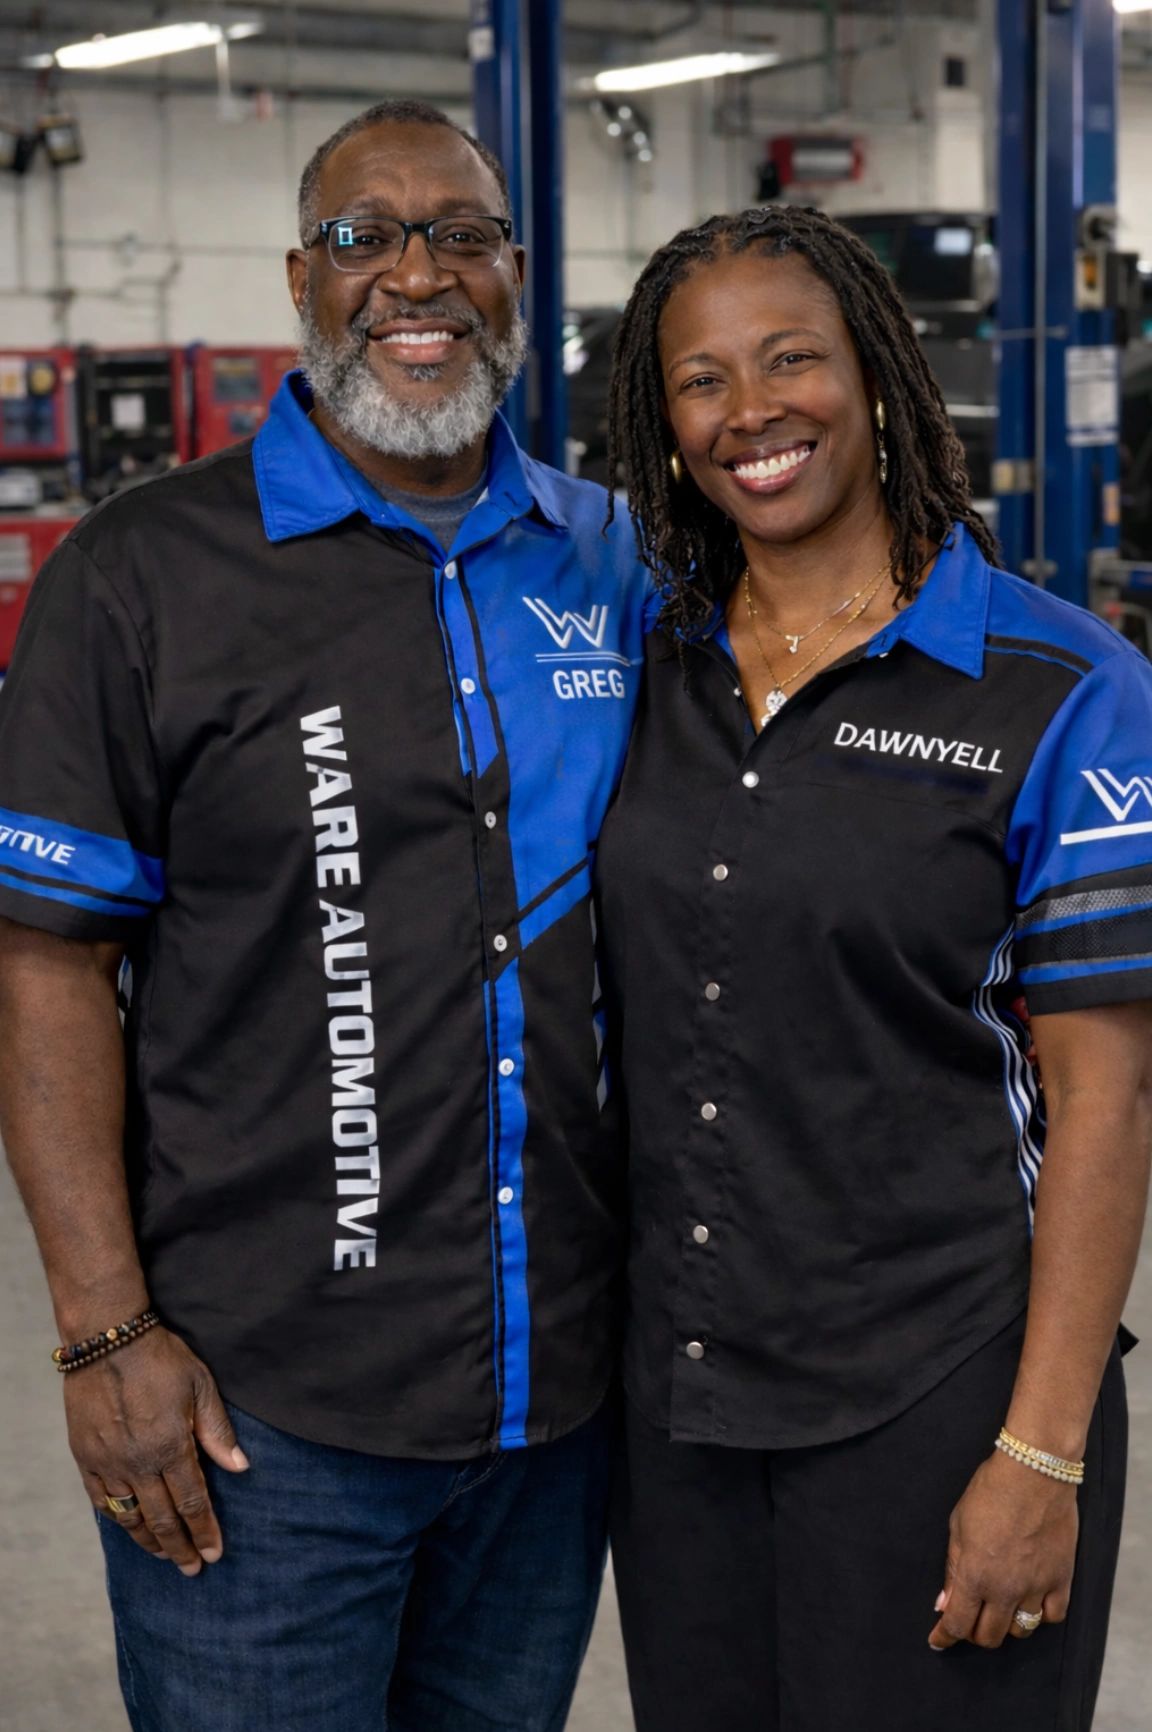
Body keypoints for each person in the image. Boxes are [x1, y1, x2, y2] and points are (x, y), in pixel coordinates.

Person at [0, 99, 650, 1732]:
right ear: (303, 274)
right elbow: (46, 965)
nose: (414, 274)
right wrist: (102, 1341)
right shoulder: (142, 575)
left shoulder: (616, 565)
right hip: (257, 1421)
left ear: (516, 274)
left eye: (462, 236)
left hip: (554, 1406)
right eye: (366, 236)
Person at [596, 203, 1152, 1732]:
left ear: (881, 372)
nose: (751, 410)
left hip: (940, 1389)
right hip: (686, 1402)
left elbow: (1109, 1100)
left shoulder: (1062, 688)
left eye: (793, 359)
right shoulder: (643, 666)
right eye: (700, 380)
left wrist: (1039, 1457)